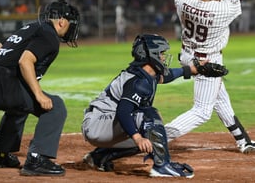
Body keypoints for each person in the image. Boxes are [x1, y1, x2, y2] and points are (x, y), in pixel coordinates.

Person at [82, 34, 217, 178]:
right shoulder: (138, 81)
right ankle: (162, 166)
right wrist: (137, 138)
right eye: (161, 54)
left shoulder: (145, 74)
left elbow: (168, 75)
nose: (164, 58)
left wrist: (191, 70)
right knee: (148, 116)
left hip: (101, 124)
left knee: (150, 134)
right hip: (99, 123)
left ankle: (99, 157)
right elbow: (123, 111)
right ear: (151, 54)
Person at [164, 0, 255, 153]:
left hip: (187, 54)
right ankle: (160, 136)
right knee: (202, 111)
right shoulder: (224, 9)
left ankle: (243, 140)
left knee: (220, 99)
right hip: (207, 62)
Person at [0, 0, 80, 176]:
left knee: (20, 106)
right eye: (71, 23)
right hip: (4, 83)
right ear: (62, 21)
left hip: (1, 79)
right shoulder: (49, 35)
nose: (72, 28)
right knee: (55, 107)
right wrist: (39, 94)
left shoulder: (31, 27)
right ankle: (37, 159)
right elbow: (25, 61)